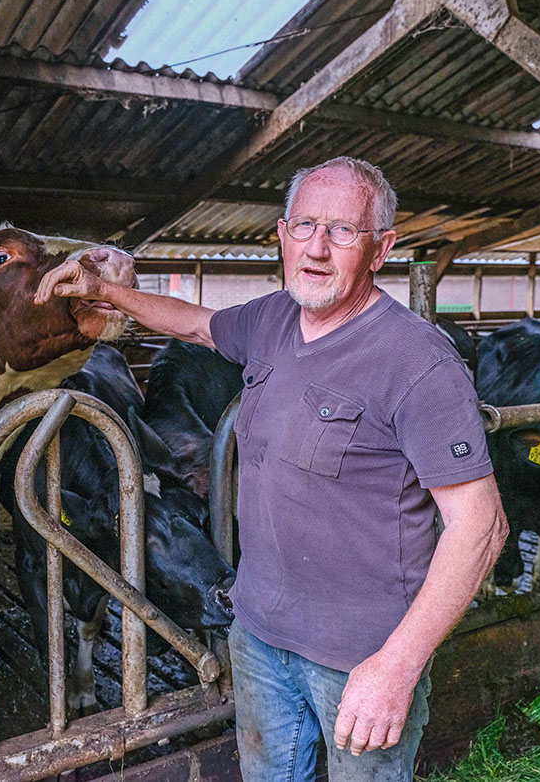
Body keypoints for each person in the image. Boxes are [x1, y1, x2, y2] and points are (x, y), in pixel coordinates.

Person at [34, 156, 508, 782]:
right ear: (282, 236)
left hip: (359, 658)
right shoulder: (272, 319)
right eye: (304, 225)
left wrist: (397, 666)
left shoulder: (418, 363)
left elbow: (482, 527)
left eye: (343, 230)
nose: (317, 246)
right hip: (258, 636)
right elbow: (198, 325)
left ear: (381, 248)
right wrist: (105, 292)